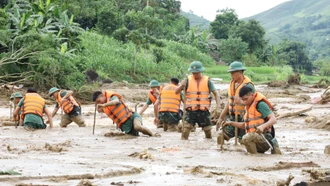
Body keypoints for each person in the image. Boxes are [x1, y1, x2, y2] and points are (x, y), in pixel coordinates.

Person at [223, 86, 281, 154]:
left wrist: (262, 127)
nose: (245, 102)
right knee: (245, 139)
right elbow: (245, 125)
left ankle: (253, 156)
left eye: (246, 99)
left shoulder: (260, 105)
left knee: (246, 138)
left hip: (265, 139)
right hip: (255, 139)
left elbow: (274, 119)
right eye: (243, 100)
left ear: (252, 95)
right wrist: (230, 123)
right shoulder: (248, 107)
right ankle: (254, 157)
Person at [175, 61, 221, 140]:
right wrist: (181, 86)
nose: (195, 74)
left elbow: (216, 93)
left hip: (203, 111)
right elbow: (176, 92)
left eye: (197, 73)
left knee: (208, 133)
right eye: (193, 73)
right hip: (190, 111)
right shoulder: (187, 81)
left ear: (201, 71)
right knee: (185, 132)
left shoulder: (207, 81)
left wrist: (218, 107)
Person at [217, 61, 255, 145]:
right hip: (232, 116)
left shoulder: (248, 86)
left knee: (244, 141)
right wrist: (221, 117)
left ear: (240, 72)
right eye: (231, 73)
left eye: (233, 73)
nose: (231, 75)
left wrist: (241, 102)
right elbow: (229, 102)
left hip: (244, 117)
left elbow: (253, 103)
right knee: (221, 136)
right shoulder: (232, 84)